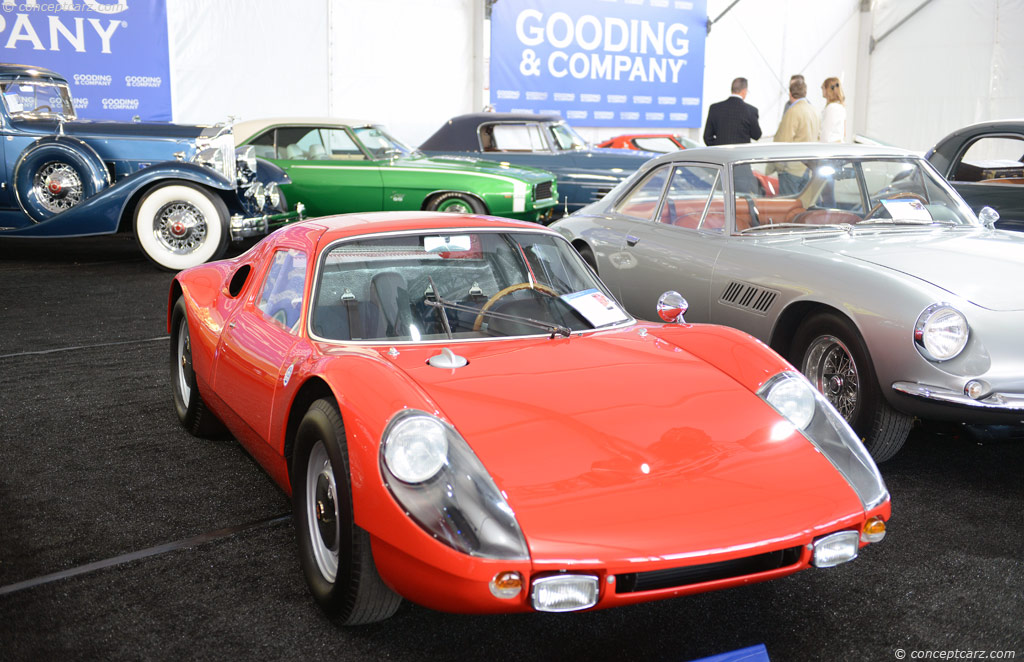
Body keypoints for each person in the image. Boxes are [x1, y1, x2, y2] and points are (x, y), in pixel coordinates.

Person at [772, 77, 820, 195]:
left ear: (790, 93)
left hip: (792, 169)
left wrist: (779, 167)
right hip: (808, 168)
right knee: (804, 209)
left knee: (789, 209)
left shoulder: (793, 111)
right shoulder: (814, 111)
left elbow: (783, 140)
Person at [703, 77, 762, 146]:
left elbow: (707, 137)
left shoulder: (714, 108)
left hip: (720, 154)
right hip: (742, 155)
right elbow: (757, 135)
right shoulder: (751, 110)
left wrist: (717, 148)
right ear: (744, 91)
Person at [819, 77, 846, 143]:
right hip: (837, 145)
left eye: (823, 88)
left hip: (829, 146)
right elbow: (844, 132)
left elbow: (826, 133)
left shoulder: (831, 108)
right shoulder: (841, 107)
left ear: (827, 89)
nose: (822, 90)